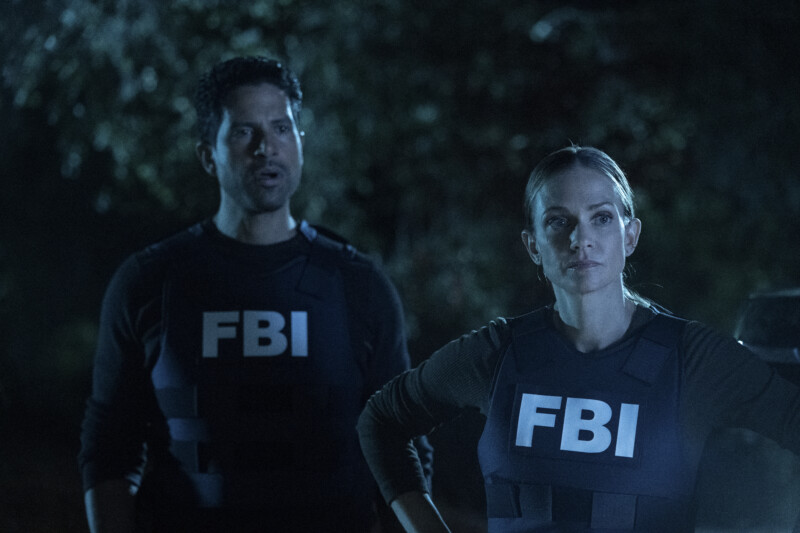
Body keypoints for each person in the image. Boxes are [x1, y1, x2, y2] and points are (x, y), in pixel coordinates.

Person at [357, 145, 800, 532]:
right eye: (558, 221)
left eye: (601, 218)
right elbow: (381, 421)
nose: (580, 238)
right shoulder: (498, 354)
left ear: (630, 235)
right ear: (533, 245)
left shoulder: (690, 357)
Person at [79, 56, 429, 533]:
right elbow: (109, 448)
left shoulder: (359, 285)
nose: (267, 148)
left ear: (300, 143)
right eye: (245, 132)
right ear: (208, 155)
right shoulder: (149, 282)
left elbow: (400, 448)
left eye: (281, 128)